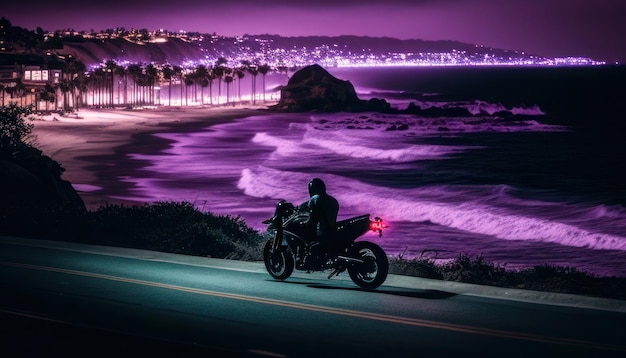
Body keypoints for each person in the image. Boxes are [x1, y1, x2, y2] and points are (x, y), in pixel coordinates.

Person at [300, 178, 340, 261]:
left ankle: (307, 258)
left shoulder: (315, 198)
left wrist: (303, 223)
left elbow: (310, 214)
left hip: (321, 231)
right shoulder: (333, 200)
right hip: (332, 229)